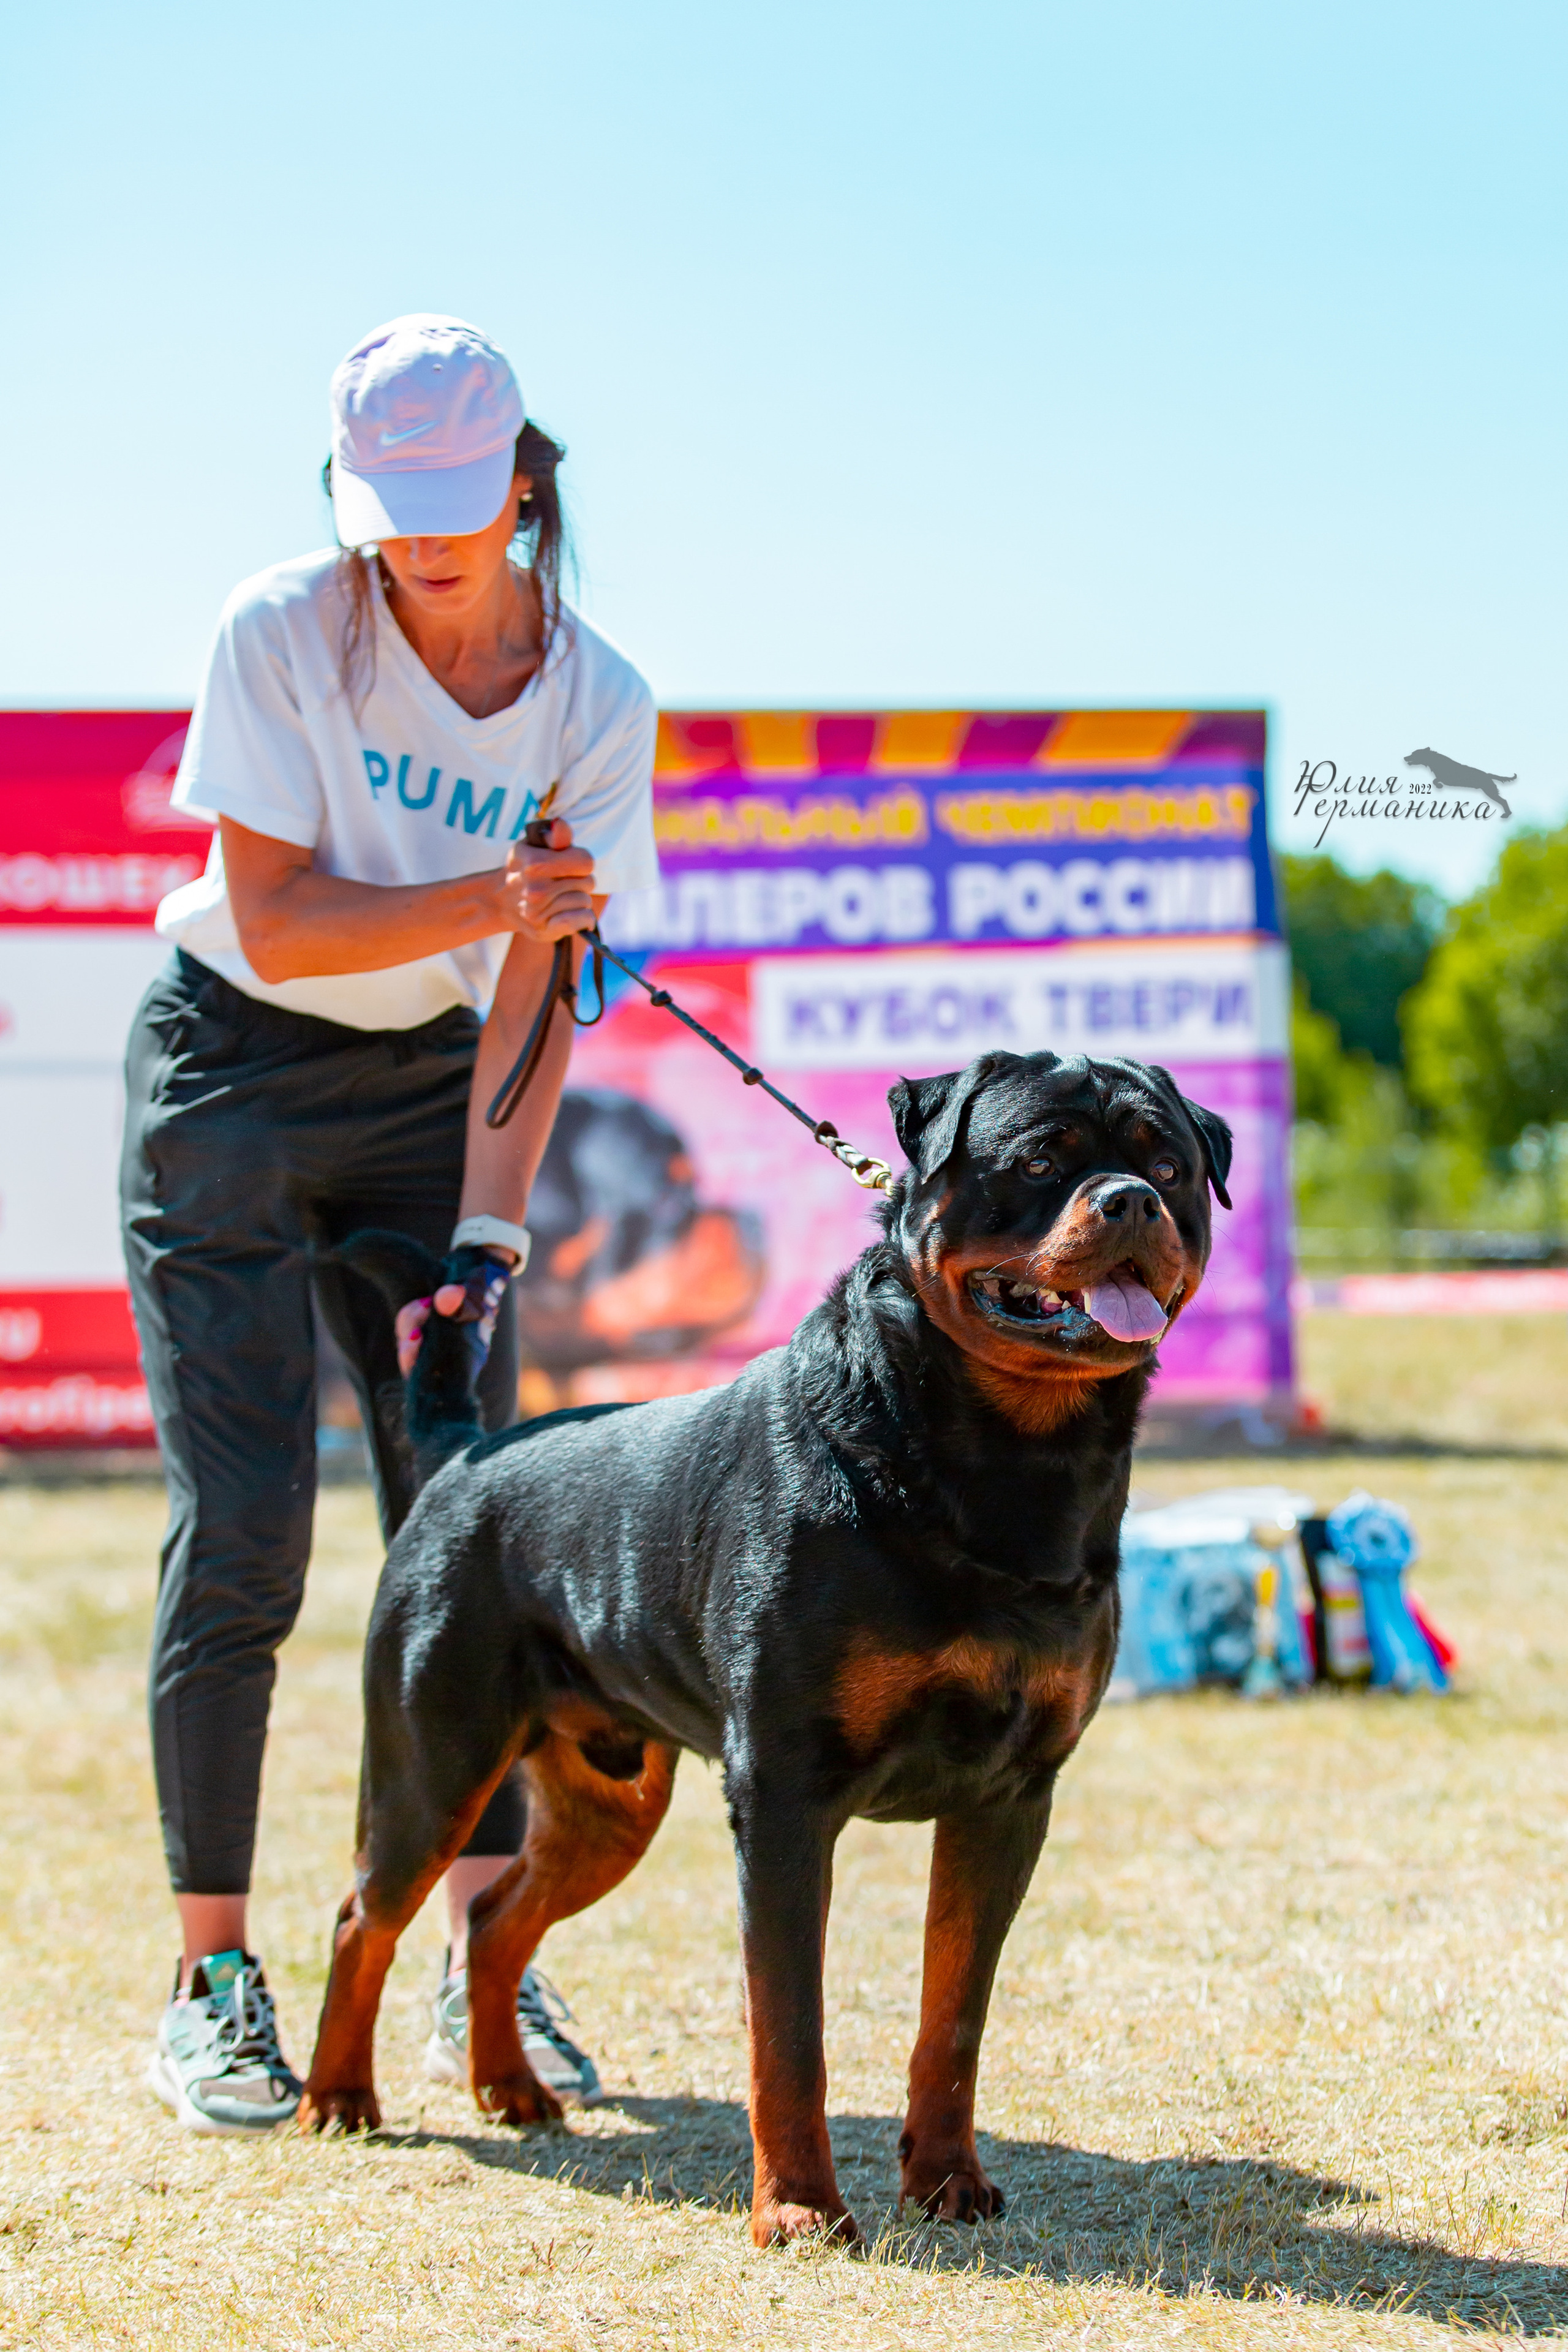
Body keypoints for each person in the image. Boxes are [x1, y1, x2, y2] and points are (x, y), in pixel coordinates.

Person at [121, 313, 658, 2133]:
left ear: (522, 483)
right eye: (386, 509)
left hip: (435, 1101)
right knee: (251, 1524)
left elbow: (538, 990)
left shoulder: (597, 700)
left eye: (450, 505)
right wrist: (492, 886)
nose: (416, 542)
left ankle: (477, 1962)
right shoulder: (283, 625)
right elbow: (272, 922)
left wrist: (490, 1247)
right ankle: (214, 1973)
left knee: (472, 1532)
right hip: (231, 1081)